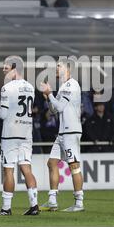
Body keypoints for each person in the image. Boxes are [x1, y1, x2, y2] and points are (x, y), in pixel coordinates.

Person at [0, 56, 39, 216]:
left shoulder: (7, 88)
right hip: (26, 133)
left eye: (6, 68)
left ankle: (6, 208)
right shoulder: (31, 87)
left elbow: (3, 114)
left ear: (14, 69)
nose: (3, 70)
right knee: (26, 168)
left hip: (11, 134)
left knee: (8, 170)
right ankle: (34, 206)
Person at [40, 59, 84, 212]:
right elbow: (53, 110)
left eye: (59, 66)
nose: (56, 69)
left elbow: (59, 106)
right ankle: (52, 200)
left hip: (71, 131)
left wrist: (50, 94)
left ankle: (79, 203)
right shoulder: (63, 87)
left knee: (74, 165)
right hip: (62, 132)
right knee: (52, 163)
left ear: (68, 69)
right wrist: (48, 97)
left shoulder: (72, 85)